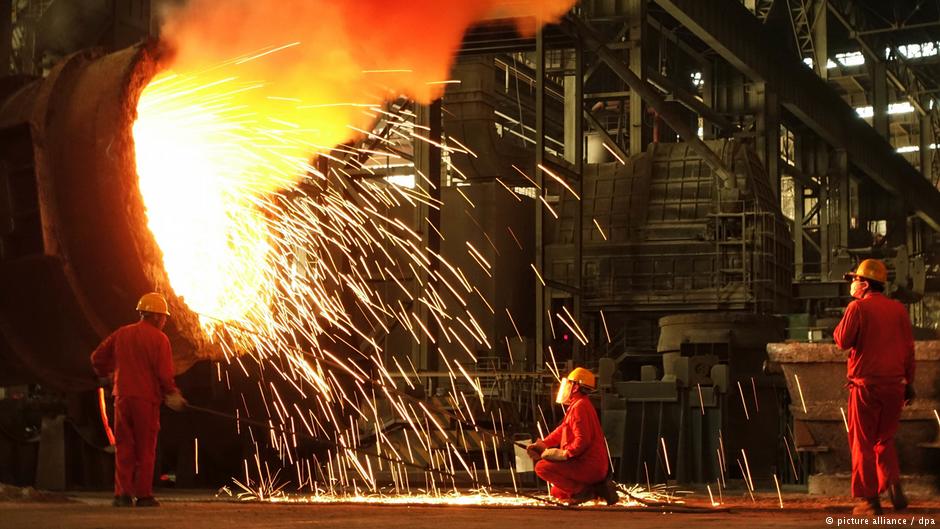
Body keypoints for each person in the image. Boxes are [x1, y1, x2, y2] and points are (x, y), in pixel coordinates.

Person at [833, 259, 916, 516]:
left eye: (855, 280)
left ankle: (870, 500)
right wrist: (909, 383)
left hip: (866, 387)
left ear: (865, 284)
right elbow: (909, 350)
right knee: (884, 440)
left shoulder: (858, 308)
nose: (853, 284)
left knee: (863, 443)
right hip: (895, 386)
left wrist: (846, 316)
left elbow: (842, 341)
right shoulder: (899, 310)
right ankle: (893, 485)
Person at [91, 292, 187, 508]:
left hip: (122, 397)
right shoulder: (160, 339)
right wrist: (172, 393)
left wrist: (107, 374)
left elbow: (96, 357)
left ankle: (122, 495)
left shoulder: (122, 333)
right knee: (145, 448)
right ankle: (143, 495)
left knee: (124, 447)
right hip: (145, 400)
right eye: (163, 318)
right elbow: (164, 373)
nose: (164, 322)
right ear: (155, 317)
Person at [526, 367, 618, 505]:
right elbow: (562, 430)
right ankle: (595, 490)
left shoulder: (580, 407)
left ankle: (583, 492)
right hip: (592, 465)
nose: (565, 387)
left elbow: (582, 441)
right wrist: (543, 444)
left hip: (588, 465)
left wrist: (565, 454)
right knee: (557, 492)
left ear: (575, 387)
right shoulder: (579, 404)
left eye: (569, 383)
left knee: (542, 467)